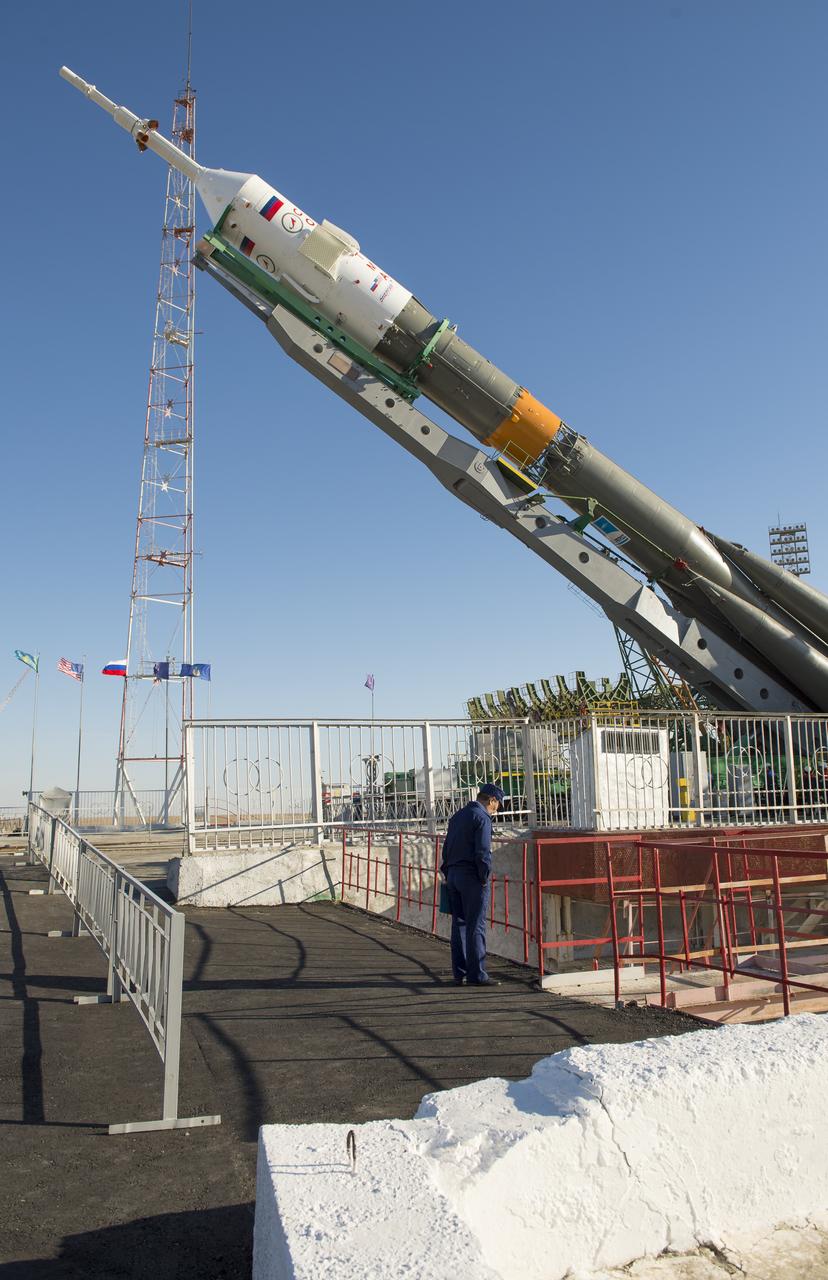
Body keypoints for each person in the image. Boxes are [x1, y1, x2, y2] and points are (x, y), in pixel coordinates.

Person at [439, 783, 505, 987]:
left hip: (454, 874)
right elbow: (483, 852)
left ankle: (459, 973)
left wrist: (448, 872)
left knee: (458, 924)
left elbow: (447, 847)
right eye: (497, 806)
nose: (496, 810)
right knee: (476, 925)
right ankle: (477, 974)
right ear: (491, 800)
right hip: (472, 878)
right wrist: (484, 877)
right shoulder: (482, 818)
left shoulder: (458, 816)